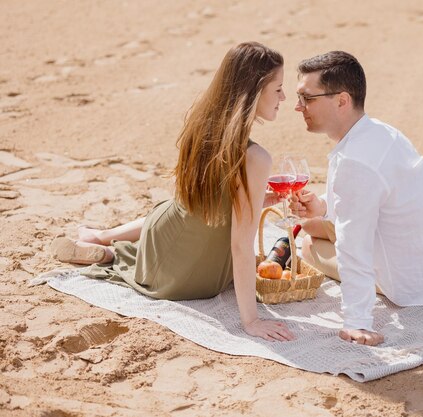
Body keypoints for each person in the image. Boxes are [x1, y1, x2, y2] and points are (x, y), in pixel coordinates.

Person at [50, 41, 295, 343]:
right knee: (172, 220)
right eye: (278, 88)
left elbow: (206, 203)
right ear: (254, 91)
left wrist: (259, 199)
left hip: (168, 256)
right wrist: (251, 320)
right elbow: (241, 245)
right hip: (201, 279)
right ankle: (108, 249)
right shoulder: (256, 158)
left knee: (173, 209)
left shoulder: (203, 125)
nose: (284, 96)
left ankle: (104, 242)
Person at [289, 51, 423, 346]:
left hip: (416, 284)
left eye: (307, 98)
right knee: (316, 222)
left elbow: (354, 246)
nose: (298, 107)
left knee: (309, 244)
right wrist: (324, 206)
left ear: (341, 100)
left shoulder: (356, 161)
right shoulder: (380, 132)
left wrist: (357, 322)